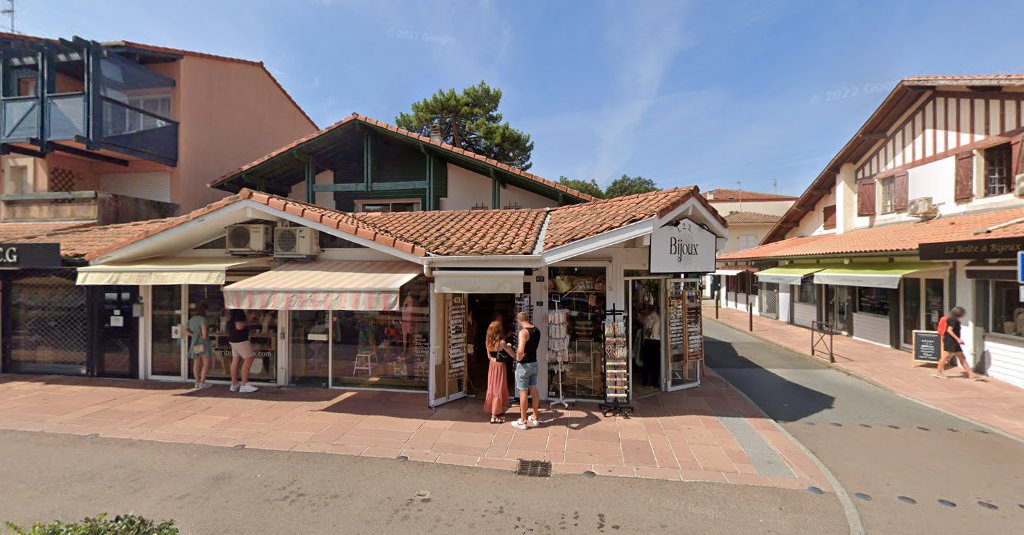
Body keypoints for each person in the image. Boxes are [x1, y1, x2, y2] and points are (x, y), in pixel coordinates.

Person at [511, 312, 542, 430]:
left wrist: (518, 359)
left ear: (519, 321)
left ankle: (523, 421)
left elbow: (520, 350)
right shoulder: (537, 330)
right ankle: (535, 416)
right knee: (533, 389)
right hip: (534, 363)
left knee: (523, 392)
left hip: (524, 365)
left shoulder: (523, 332)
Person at [934, 306, 980, 381]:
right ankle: (938, 372)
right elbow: (949, 330)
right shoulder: (953, 320)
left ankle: (971, 374)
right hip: (950, 341)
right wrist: (958, 339)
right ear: (959, 313)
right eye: (962, 313)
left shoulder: (952, 319)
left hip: (953, 341)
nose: (964, 314)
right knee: (945, 357)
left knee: (961, 357)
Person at [484, 320, 514, 423]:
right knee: (498, 388)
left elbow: (489, 356)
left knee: (492, 388)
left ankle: (495, 410)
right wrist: (509, 347)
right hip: (499, 366)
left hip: (492, 365)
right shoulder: (501, 342)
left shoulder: (488, 341)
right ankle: (494, 415)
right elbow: (511, 354)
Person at [228, 309, 259, 393]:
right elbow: (239, 326)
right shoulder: (239, 312)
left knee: (235, 360)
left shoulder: (233, 311)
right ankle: (244, 384)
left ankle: (234, 384)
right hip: (241, 339)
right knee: (249, 359)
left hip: (233, 338)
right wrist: (249, 320)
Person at [185, 302, 214, 389]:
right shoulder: (203, 319)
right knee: (206, 363)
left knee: (196, 362)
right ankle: (203, 382)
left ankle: (197, 382)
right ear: (205, 310)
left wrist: (193, 335)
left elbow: (186, 331)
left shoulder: (192, 319)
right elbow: (205, 334)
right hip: (203, 343)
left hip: (195, 342)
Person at [641, 306, 662, 388]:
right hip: (656, 341)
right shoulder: (659, 318)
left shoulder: (647, 318)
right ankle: (654, 382)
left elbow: (644, 329)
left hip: (647, 341)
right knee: (655, 363)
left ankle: (645, 381)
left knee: (647, 362)